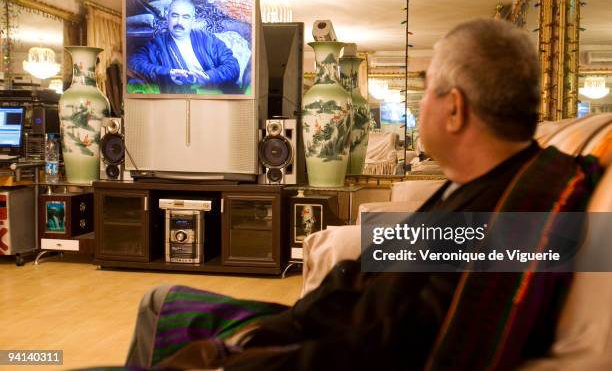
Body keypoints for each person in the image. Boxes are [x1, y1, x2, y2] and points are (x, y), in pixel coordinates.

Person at [125, 19, 603, 370]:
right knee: (158, 298)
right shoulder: (486, 184)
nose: (421, 102)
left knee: (158, 301)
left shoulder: (502, 218)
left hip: (317, 348)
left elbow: (385, 347)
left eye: (426, 88)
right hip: (314, 324)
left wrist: (235, 359)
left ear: (454, 109)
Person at [128, 0, 240, 94]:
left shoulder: (206, 38)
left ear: (192, 20)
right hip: (178, 102)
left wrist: (209, 76)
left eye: (185, 17)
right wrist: (167, 73)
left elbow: (233, 65)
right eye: (175, 15)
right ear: (167, 17)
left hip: (215, 98)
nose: (179, 23)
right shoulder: (157, 43)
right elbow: (134, 62)